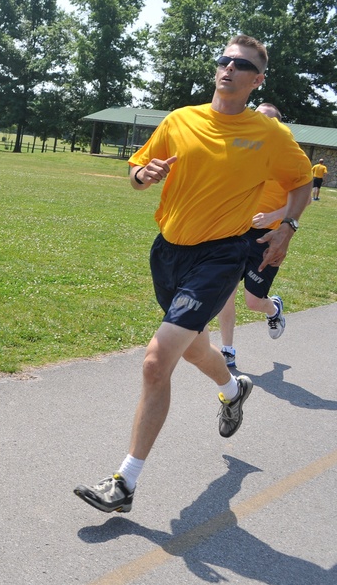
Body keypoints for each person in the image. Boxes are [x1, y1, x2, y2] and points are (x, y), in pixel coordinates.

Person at [74, 35, 312, 514]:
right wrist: (144, 175)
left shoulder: (270, 136)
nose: (228, 68)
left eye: (240, 64)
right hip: (168, 252)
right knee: (193, 347)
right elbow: (138, 166)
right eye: (223, 59)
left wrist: (287, 227)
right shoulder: (180, 119)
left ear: (256, 80)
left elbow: (302, 181)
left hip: (222, 255)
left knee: (156, 360)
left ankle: (125, 483)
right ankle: (232, 388)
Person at [216, 103, 311, 369]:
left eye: (267, 120)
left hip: (269, 237)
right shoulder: (244, 153)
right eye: (256, 118)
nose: (259, 123)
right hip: (236, 231)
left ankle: (273, 309)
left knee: (253, 301)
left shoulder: (289, 156)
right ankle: (227, 350)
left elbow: (306, 200)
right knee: (227, 293)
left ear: (278, 126)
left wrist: (272, 217)